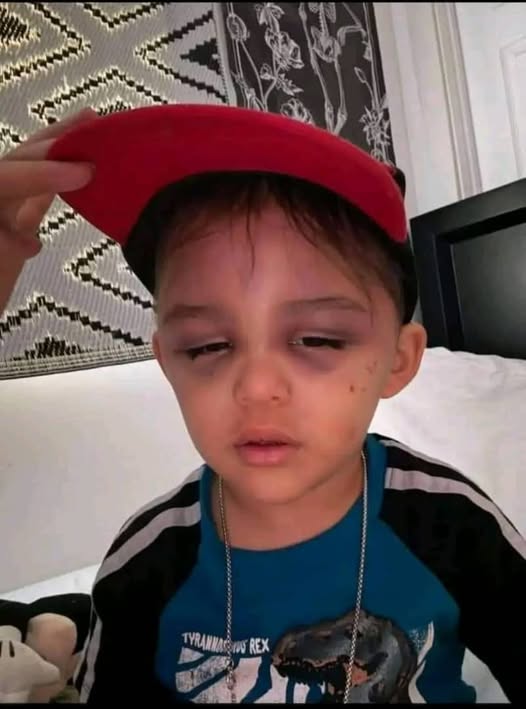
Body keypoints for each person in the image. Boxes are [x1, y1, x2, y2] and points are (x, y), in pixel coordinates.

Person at [0, 105, 524, 705]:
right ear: (167, 361)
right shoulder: (146, 565)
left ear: (398, 360)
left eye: (317, 339)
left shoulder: (453, 524)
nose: (255, 387)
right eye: (207, 346)